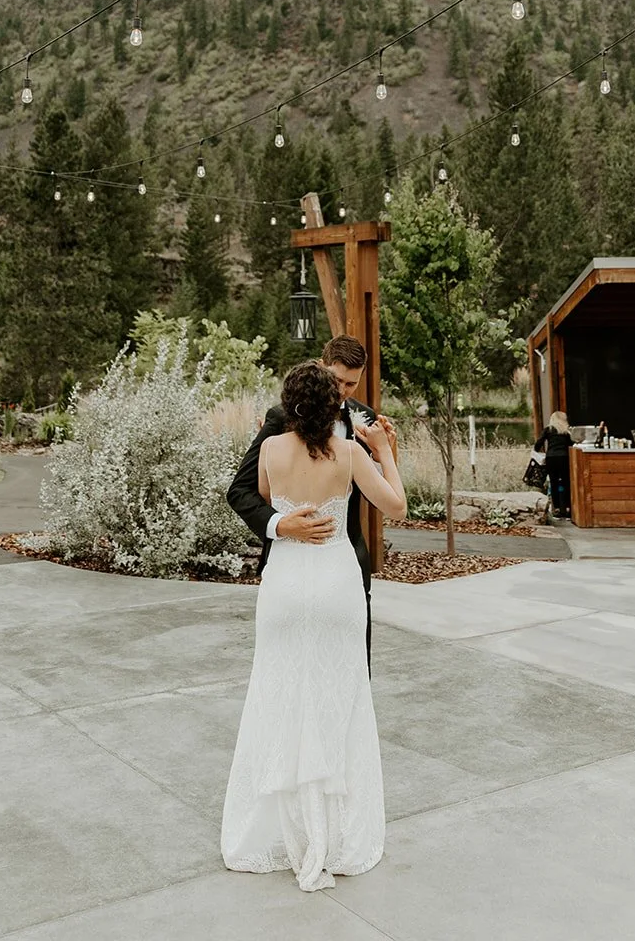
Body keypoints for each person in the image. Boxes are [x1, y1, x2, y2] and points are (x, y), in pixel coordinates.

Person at [221, 360, 406, 891]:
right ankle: (336, 831)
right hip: (335, 585)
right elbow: (395, 504)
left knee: (277, 695)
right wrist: (385, 452)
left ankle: (277, 831)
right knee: (338, 697)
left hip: (283, 587)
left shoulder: (274, 449)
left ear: (290, 405)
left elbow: (262, 486)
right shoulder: (350, 453)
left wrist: (285, 520)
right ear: (335, 405)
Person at [226, 334, 398, 669]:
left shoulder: (365, 418)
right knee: (287, 667)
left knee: (351, 669)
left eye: (352, 384)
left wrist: (386, 451)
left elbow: (380, 489)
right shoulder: (281, 417)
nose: (343, 392)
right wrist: (280, 524)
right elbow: (240, 490)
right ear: (321, 367)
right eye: (336, 380)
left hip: (346, 564)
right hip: (290, 565)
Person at [535, 409, 575, 519]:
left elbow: (539, 442)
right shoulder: (567, 432)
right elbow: (573, 444)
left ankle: (556, 508)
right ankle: (567, 508)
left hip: (551, 458)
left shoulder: (548, 430)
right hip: (564, 458)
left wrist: (537, 450)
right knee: (566, 482)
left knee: (554, 482)